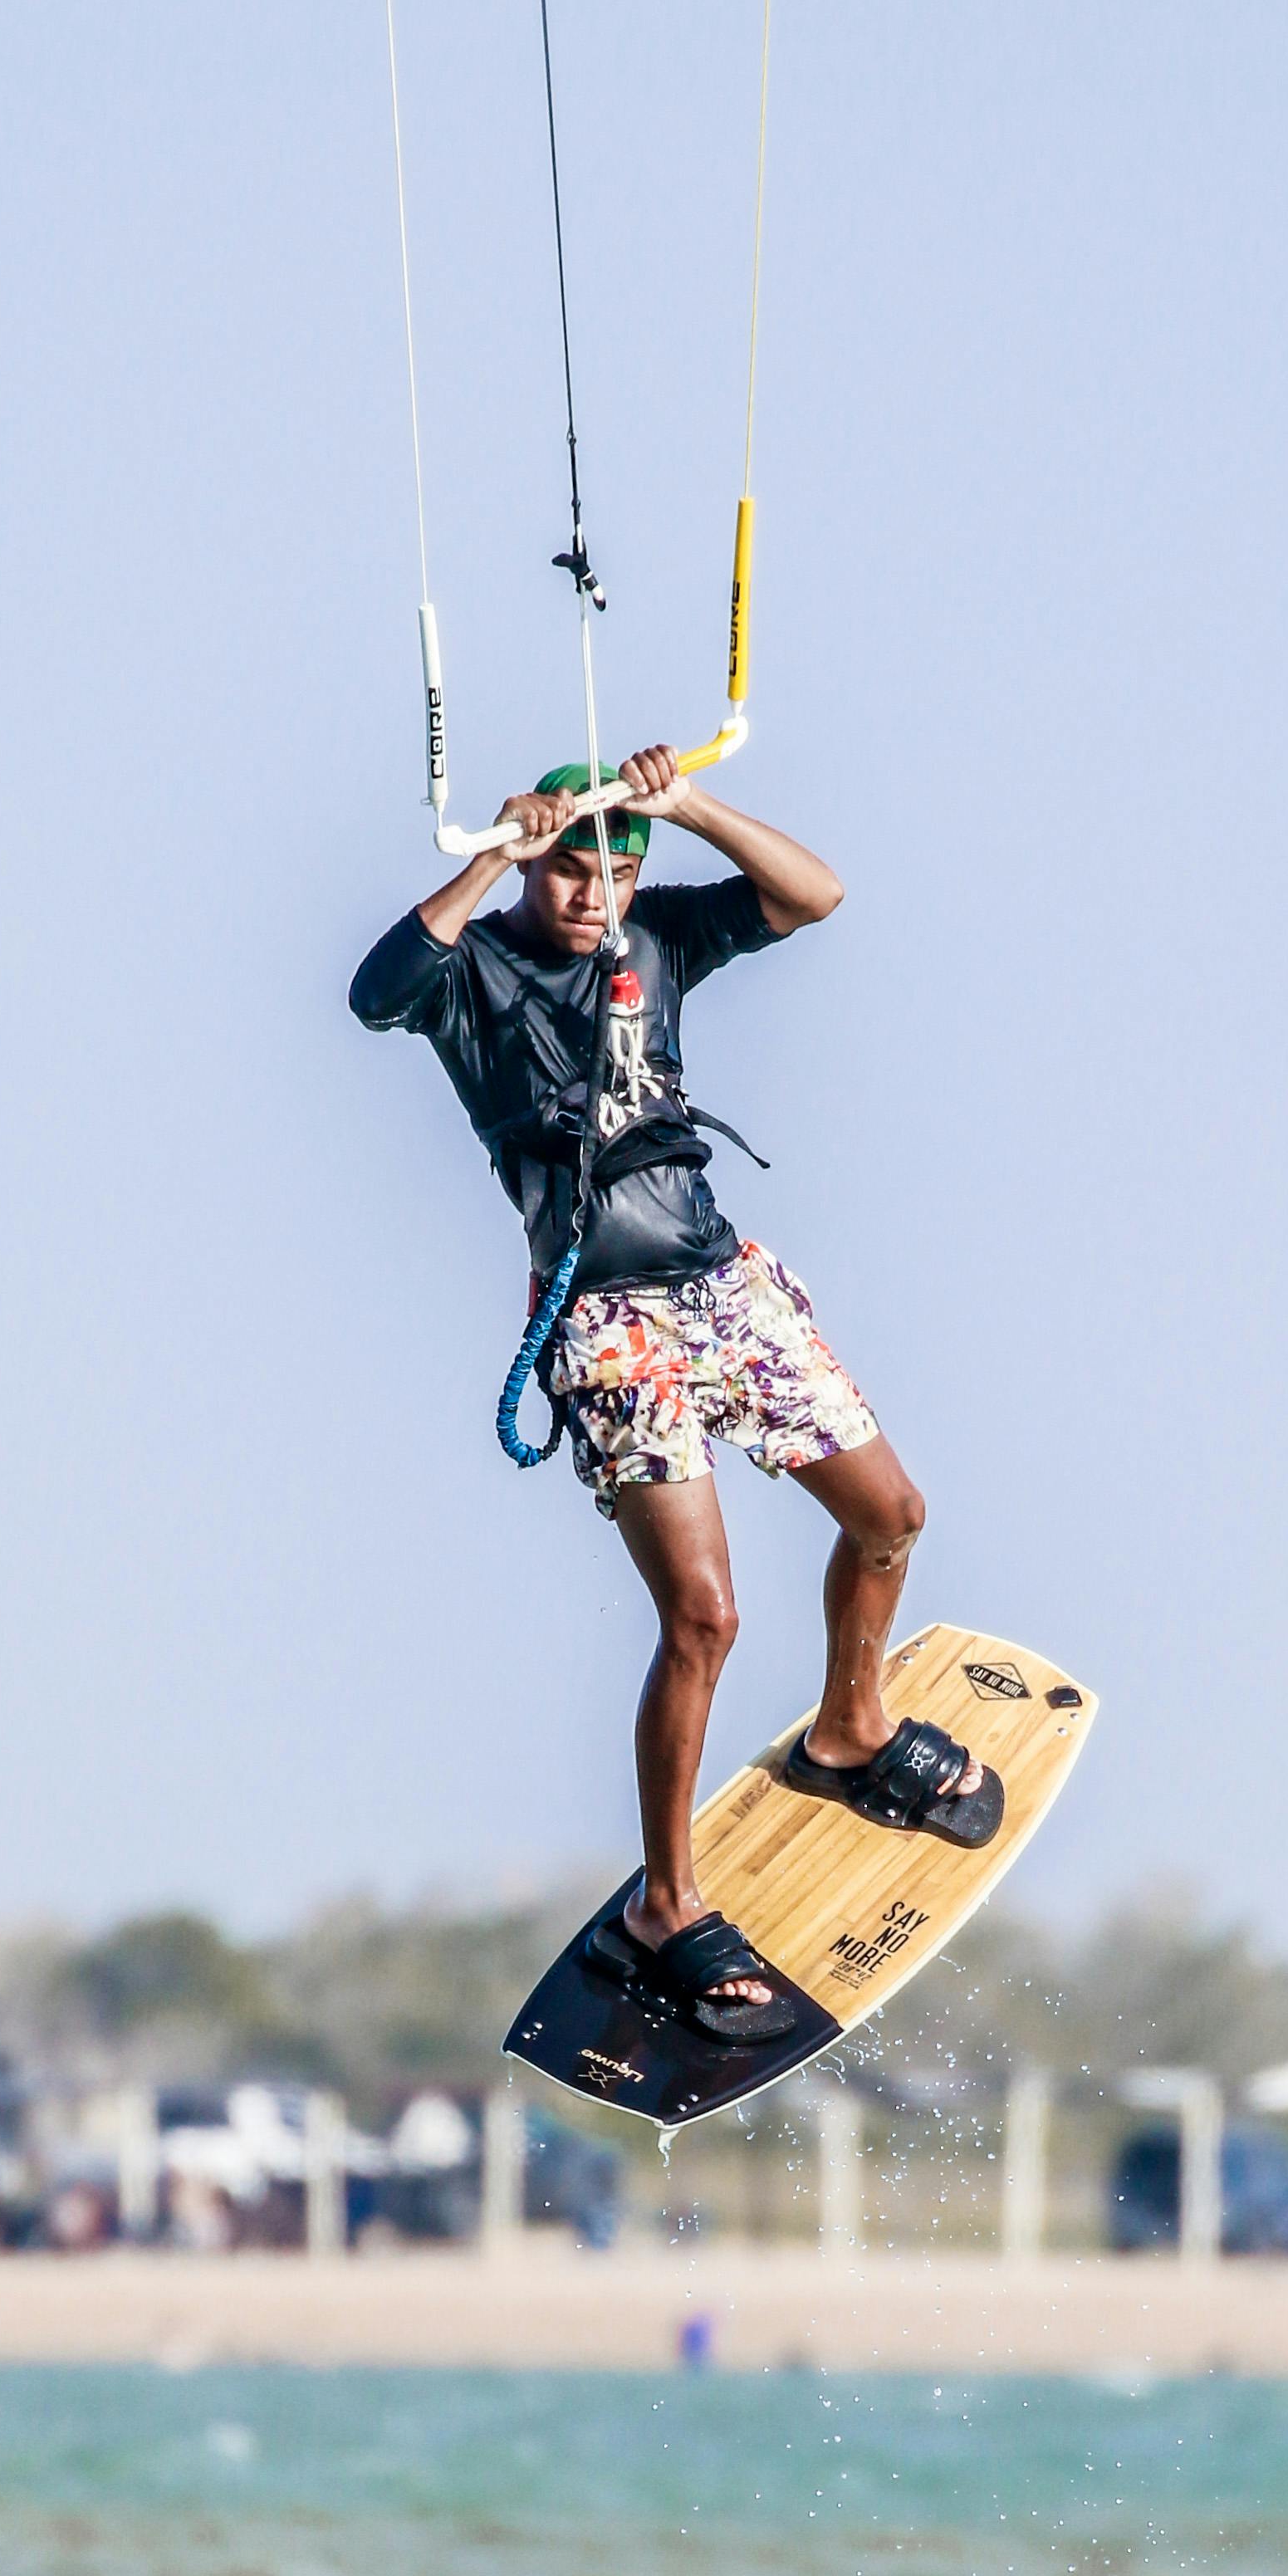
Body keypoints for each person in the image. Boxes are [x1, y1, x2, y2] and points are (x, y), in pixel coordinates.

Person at [348, 747, 998, 2035]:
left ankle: (852, 1729)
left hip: (722, 1285)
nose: (593, 894)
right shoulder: (476, 972)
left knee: (892, 1515)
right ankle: (667, 1904)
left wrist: (687, 803)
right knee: (703, 1619)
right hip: (606, 1316)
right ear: (538, 863)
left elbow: (816, 896)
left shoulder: (660, 935)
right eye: (571, 869)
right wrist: (492, 851)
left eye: (613, 868)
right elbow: (375, 994)